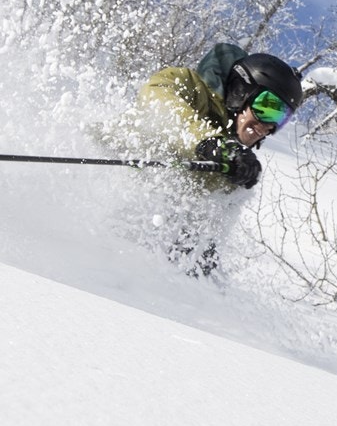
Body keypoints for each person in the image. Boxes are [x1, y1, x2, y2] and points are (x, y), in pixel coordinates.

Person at [129, 43, 305, 274]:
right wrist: (208, 141)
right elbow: (157, 101)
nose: (268, 126)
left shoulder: (231, 163)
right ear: (241, 91)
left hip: (137, 243)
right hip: (107, 170)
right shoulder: (189, 86)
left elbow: (204, 230)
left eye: (281, 118)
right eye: (267, 108)